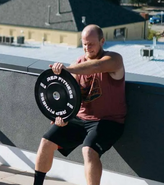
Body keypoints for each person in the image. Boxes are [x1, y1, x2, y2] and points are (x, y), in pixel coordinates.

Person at [33, 24, 126, 185]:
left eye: (91, 44)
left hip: (108, 121)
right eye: (84, 44)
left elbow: (95, 66)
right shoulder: (78, 63)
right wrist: (61, 116)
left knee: (89, 151)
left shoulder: (114, 59)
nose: (87, 48)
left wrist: (67, 69)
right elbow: (70, 97)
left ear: (102, 41)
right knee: (46, 142)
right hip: (80, 118)